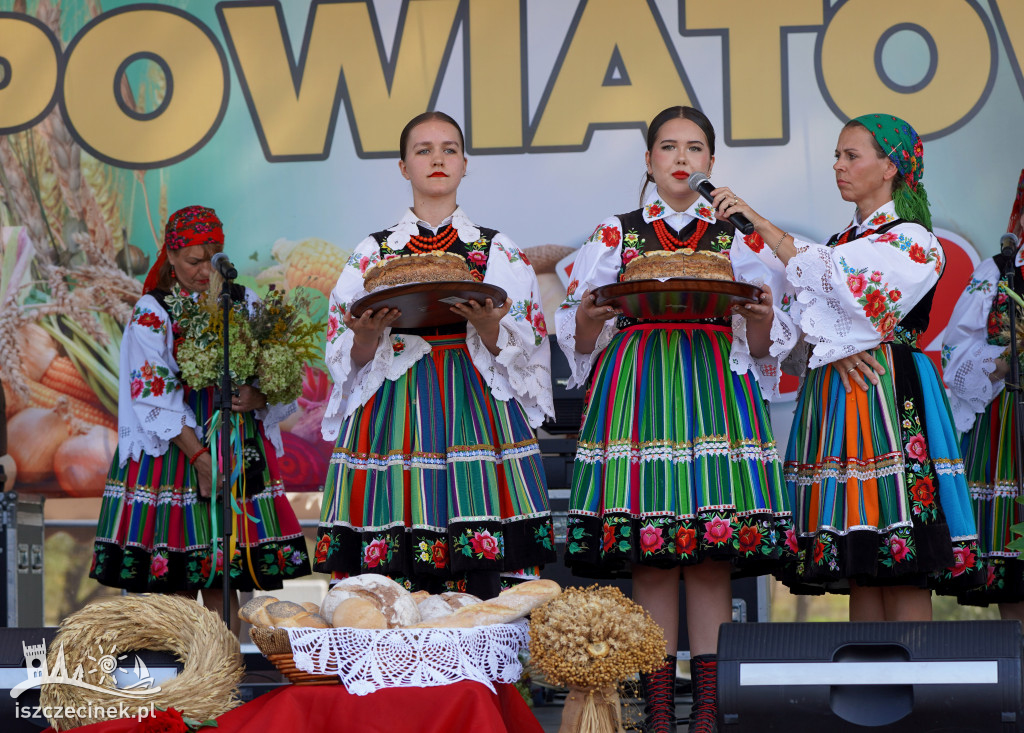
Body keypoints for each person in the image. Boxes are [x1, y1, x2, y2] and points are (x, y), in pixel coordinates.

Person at [555, 106, 795, 733]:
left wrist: (766, 316)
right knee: (652, 553)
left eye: (694, 148)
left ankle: (710, 711)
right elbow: (582, 338)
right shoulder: (618, 233)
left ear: (712, 163)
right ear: (649, 161)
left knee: (711, 553)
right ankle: (660, 711)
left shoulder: (739, 236)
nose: (682, 158)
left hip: (715, 382)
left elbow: (767, 344)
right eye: (668, 147)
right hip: (640, 384)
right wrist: (585, 315)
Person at [720, 114, 982, 620]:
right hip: (838, 395)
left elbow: (844, 284)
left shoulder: (912, 240)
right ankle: (869, 683)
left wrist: (756, 221)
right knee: (860, 557)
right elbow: (808, 318)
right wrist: (820, 341)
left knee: (900, 557)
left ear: (890, 167)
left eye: (851, 156)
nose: (838, 166)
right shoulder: (841, 241)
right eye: (837, 156)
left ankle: (918, 690)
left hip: (888, 389)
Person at [316, 111, 556, 601]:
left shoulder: (497, 250)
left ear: (465, 164)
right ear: (403, 167)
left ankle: (486, 669)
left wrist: (490, 326)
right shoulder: (373, 253)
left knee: (482, 552)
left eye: (449, 149)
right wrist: (366, 336)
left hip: (475, 402)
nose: (437, 159)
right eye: (423, 150)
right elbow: (348, 353)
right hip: (395, 405)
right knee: (396, 560)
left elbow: (523, 346)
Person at [90, 206, 311, 629]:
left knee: (224, 575)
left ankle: (224, 679)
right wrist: (199, 459)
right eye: (193, 261)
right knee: (173, 578)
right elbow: (152, 392)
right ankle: (179, 686)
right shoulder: (153, 312)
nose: (203, 271)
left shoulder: (244, 302)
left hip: (233, 444)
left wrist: (258, 393)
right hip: (177, 452)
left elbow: (277, 369)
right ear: (170, 256)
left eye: (212, 261)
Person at [943, 169, 1024, 617]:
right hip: (1012, 421)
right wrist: (1005, 362)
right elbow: (957, 351)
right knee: (1014, 572)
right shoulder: (1000, 269)